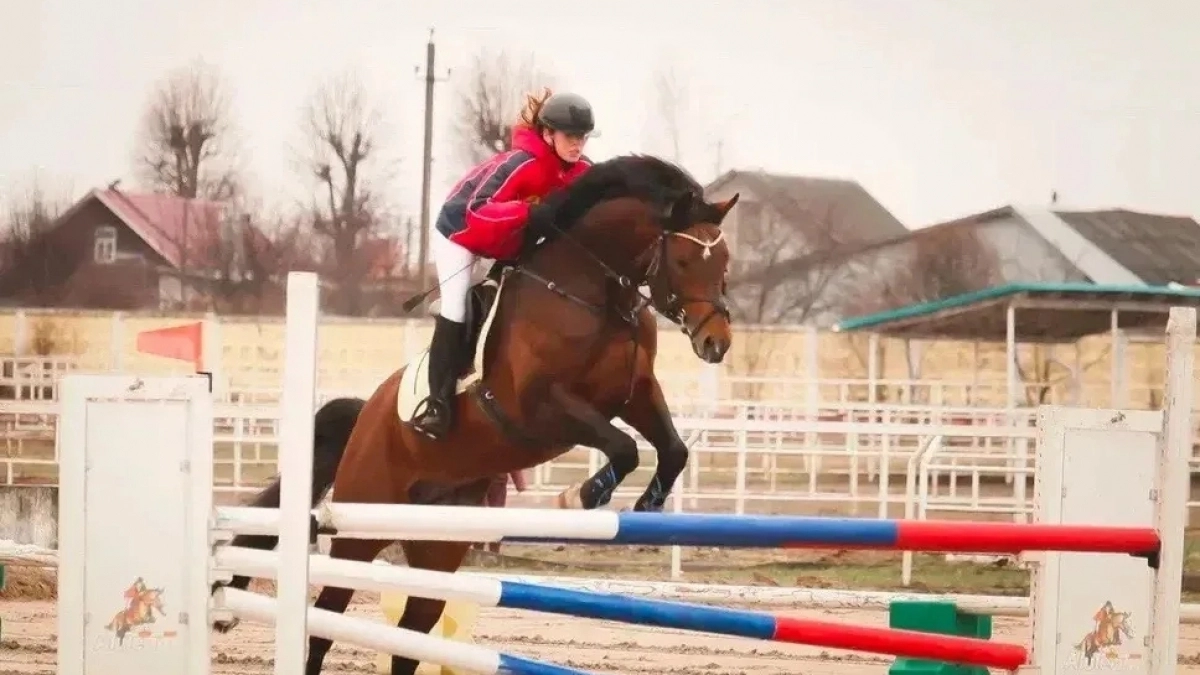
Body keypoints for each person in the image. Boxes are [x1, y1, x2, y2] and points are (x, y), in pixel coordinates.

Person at [411, 89, 596, 440]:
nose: (578, 145)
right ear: (547, 135)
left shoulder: (582, 171)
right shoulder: (522, 164)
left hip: (510, 241)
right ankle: (437, 403)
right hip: (461, 231)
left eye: (583, 137)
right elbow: (476, 209)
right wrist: (529, 212)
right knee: (456, 305)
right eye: (571, 137)